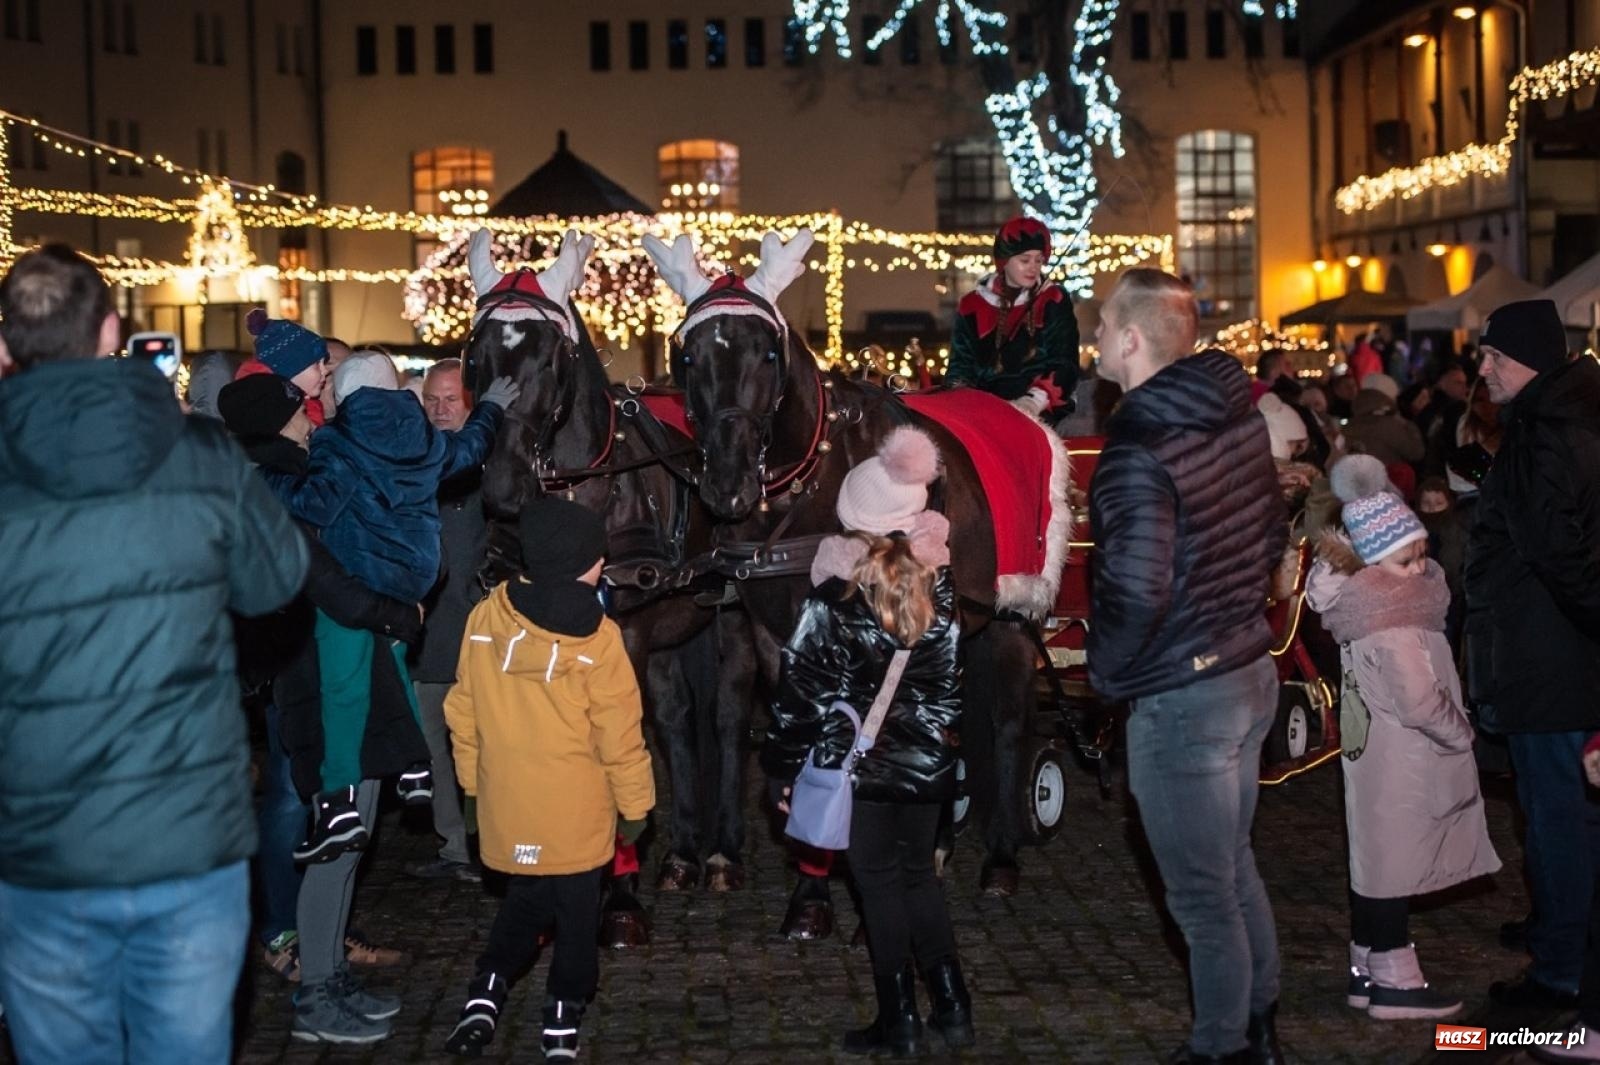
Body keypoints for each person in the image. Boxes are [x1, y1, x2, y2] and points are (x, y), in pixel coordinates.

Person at [0, 245, 309, 1064]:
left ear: (5, 343)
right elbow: (277, 577)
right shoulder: (198, 452)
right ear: (112, 330)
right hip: (186, 835)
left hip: (42, 840)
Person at [1087, 268, 1286, 1065]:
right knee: (1232, 867)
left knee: (1204, 896)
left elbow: (1135, 589)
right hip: (1245, 667)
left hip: (1183, 693)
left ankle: (1220, 1047)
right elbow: (1271, 532)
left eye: (1104, 325)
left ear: (1133, 339)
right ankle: (1258, 1027)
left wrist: (1107, 672)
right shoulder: (1237, 415)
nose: (1096, 337)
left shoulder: (1138, 448)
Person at [218, 375, 423, 1041]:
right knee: (336, 842)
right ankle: (316, 995)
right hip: (320, 685)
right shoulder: (275, 493)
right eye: (297, 414)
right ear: (274, 425)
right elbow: (331, 586)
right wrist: (402, 614)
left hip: (341, 677)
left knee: (350, 837)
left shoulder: (290, 481)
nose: (310, 419)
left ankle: (330, 972)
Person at [764, 427, 970, 1058]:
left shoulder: (833, 600)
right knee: (920, 880)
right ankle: (954, 1008)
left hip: (861, 771)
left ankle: (899, 1019)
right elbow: (950, 689)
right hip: (928, 766)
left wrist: (782, 769)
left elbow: (800, 695)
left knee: (877, 886)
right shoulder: (942, 592)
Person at [266, 350, 517, 862]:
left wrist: (265, 481)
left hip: (361, 577)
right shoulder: (423, 437)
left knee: (345, 689)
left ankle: (338, 806)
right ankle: (416, 767)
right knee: (394, 672)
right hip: (412, 583)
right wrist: (490, 408)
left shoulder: (338, 439)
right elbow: (468, 449)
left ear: (347, 394)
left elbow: (316, 502)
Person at [442, 498, 654, 1062]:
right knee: (577, 915)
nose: (603, 562)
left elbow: (462, 711)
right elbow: (620, 736)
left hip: (508, 804)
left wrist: (472, 790)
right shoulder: (600, 638)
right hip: (576, 813)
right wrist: (635, 809)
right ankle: (564, 1009)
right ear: (582, 563)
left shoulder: (486, 617)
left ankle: (486, 990)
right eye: (597, 555)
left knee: (528, 899)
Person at [1306, 455, 1501, 1021]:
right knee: (1394, 865)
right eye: (1404, 560)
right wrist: (1460, 731)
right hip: (1406, 760)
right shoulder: (1392, 621)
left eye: (1421, 555)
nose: (1418, 570)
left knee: (1374, 861)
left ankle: (1365, 969)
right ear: (1370, 563)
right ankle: (1395, 980)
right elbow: (1418, 700)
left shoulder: (1361, 608)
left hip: (1374, 758)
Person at [1464, 299, 1600, 1011]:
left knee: (1559, 818)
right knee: (1560, 813)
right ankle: (1558, 931)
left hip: (1551, 660)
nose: (1482, 369)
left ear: (1533, 359)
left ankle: (1559, 972)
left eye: (1494, 356)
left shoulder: (1546, 431)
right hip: (1558, 654)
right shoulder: (1563, 416)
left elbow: (1560, 555)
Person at [407, 358, 486, 882]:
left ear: (471, 404)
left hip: (480, 637)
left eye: (450, 400)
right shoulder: (412, 461)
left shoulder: (493, 465)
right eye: (431, 400)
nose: (439, 410)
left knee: (485, 750)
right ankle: (455, 846)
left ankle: (491, 845)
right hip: (429, 637)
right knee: (434, 749)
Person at [947, 215, 1080, 413]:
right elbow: (960, 367)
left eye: (1039, 260)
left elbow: (1064, 362)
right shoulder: (972, 305)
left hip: (1041, 407)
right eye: (1025, 260)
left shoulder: (1053, 299)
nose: (1033, 267)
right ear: (1004, 261)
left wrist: (1033, 401)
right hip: (984, 407)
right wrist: (960, 400)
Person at [236, 309, 332, 425]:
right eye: (317, 364)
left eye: (324, 363)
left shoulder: (311, 407)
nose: (326, 370)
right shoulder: (273, 421)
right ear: (289, 371)